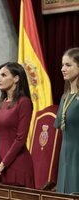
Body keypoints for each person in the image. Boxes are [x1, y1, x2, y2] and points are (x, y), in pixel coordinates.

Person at [0, 62, 34, 188]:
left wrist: (2, 164)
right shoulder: (0, 103)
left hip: (17, 165)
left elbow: (20, 139)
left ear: (16, 78)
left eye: (4, 75)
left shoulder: (24, 103)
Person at [54, 47, 79, 194]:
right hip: (65, 158)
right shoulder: (65, 97)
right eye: (62, 65)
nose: (63, 69)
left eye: (68, 65)